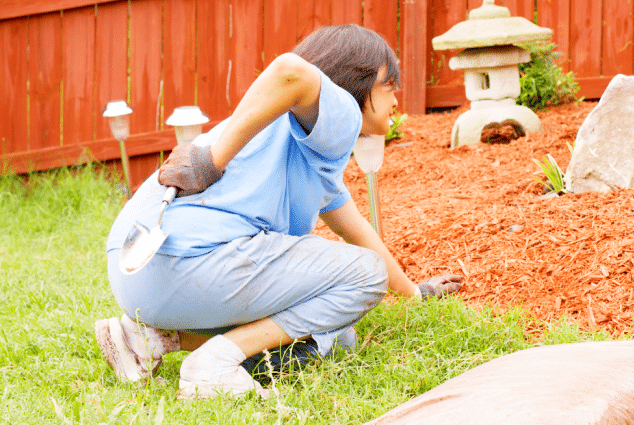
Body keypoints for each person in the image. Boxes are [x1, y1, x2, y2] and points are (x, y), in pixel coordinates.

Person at [95, 24, 464, 398]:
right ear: (355, 82)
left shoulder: (289, 140)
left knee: (337, 334)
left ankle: (149, 339)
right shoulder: (340, 117)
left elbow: (358, 232)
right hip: (189, 264)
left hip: (137, 273)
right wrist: (212, 161)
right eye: (389, 86)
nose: (396, 99)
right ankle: (214, 365)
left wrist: (416, 294)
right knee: (363, 276)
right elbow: (292, 69)